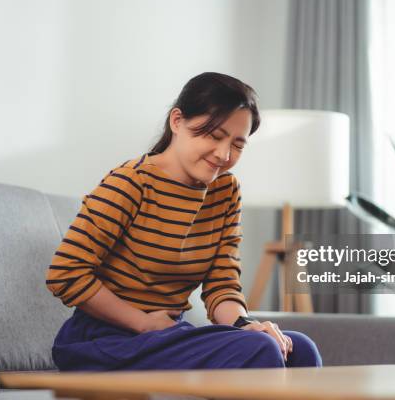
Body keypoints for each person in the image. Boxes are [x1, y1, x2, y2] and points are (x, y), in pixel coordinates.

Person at [46, 71, 322, 371]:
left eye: (238, 145)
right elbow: (66, 273)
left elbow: (222, 284)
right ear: (177, 121)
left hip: (166, 336)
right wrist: (143, 323)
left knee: (298, 349)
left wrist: (246, 325)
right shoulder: (130, 182)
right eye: (214, 136)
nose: (223, 154)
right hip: (103, 341)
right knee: (260, 350)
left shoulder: (225, 192)